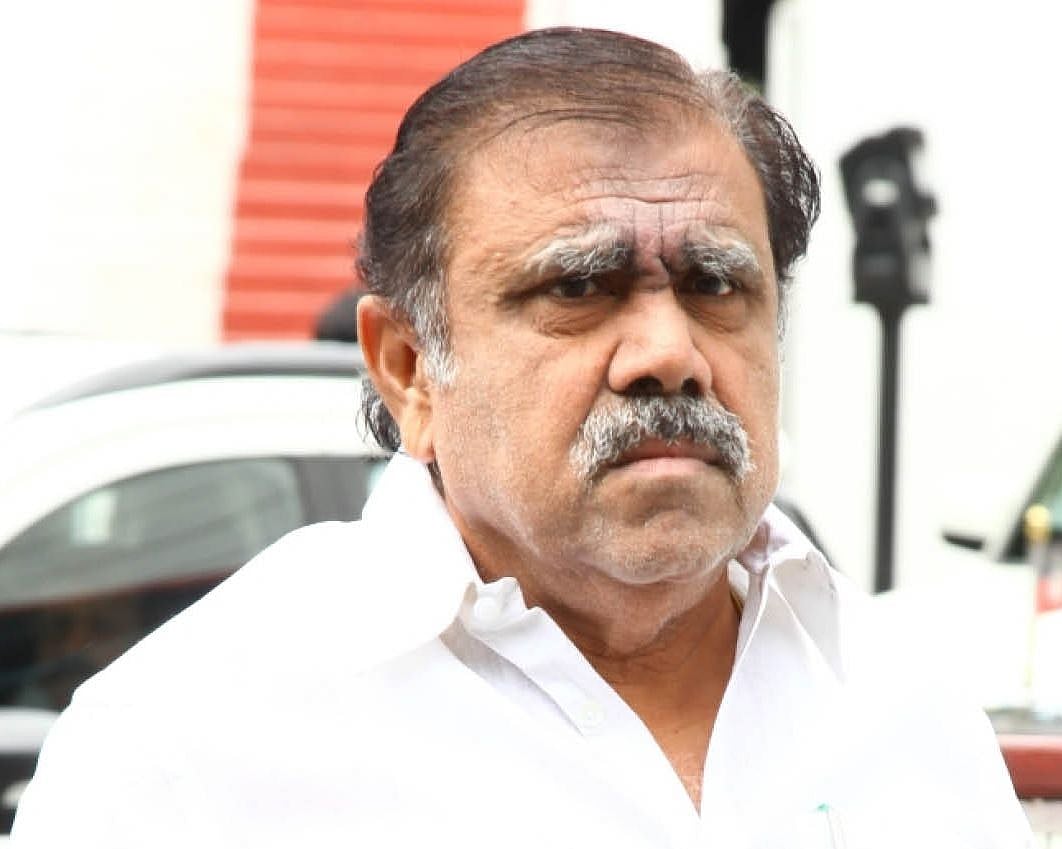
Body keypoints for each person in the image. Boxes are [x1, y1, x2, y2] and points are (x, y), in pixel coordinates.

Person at [13, 27, 1031, 848]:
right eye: (578, 286)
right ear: (409, 366)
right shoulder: (186, 748)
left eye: (717, 283)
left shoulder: (903, 708)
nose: (669, 353)